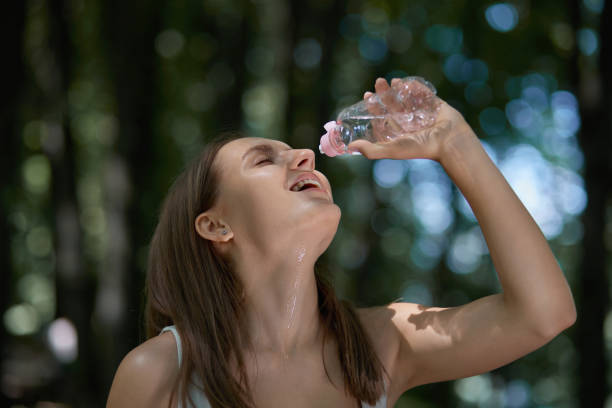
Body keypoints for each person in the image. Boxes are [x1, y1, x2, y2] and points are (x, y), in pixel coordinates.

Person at [106, 78, 576, 408]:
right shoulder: (159, 374)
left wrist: (454, 141)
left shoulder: (381, 347)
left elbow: (543, 314)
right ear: (215, 227)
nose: (306, 154)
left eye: (295, 151)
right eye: (263, 160)